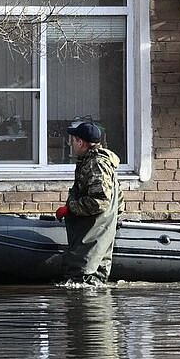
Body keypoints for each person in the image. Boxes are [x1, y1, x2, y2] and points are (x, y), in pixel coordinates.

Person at [54, 120, 122, 284]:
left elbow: (100, 201)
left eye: (73, 140)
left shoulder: (96, 164)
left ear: (80, 142)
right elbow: (118, 199)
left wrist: (70, 208)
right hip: (94, 239)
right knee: (89, 285)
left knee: (83, 283)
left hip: (91, 242)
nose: (70, 144)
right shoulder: (95, 162)